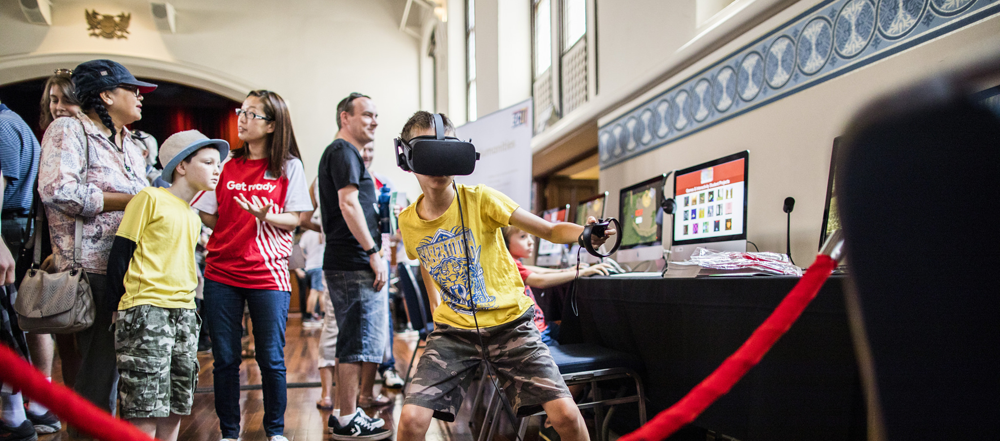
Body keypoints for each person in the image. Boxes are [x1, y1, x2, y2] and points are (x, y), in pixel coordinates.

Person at [394, 111, 614, 441]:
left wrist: (585, 234)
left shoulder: (482, 198)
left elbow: (550, 229)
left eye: (447, 151)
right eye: (429, 153)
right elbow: (425, 258)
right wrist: (435, 305)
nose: (440, 166)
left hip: (512, 324)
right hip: (454, 332)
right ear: (408, 158)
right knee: (410, 420)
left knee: (566, 416)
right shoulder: (408, 221)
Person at [38, 60, 154, 437]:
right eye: (131, 89)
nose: (140, 97)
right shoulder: (69, 130)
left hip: (131, 271)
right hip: (91, 271)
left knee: (122, 373)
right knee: (96, 376)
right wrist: (129, 201)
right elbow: (57, 191)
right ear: (106, 95)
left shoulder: (132, 143)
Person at [191, 90, 312, 441]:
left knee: (270, 358)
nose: (242, 118)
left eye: (252, 113)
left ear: (272, 125)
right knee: (225, 359)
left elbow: (297, 218)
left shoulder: (288, 166)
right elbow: (210, 215)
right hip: (221, 273)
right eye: (240, 111)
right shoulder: (226, 164)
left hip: (268, 272)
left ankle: (275, 431)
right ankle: (230, 432)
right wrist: (223, 221)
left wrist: (266, 215)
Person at [107, 130, 227, 441]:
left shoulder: (192, 215)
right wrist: (115, 307)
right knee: (145, 402)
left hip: (184, 312)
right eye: (209, 162)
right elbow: (122, 253)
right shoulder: (150, 198)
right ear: (182, 166)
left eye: (219, 164)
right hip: (146, 310)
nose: (217, 169)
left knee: (178, 399)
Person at [317, 92, 391, 440]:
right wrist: (373, 251)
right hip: (352, 261)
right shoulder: (342, 151)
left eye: (376, 115)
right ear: (345, 117)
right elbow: (348, 204)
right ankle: (348, 418)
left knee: (356, 339)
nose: (374, 120)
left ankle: (348, 412)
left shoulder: (344, 153)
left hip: (349, 260)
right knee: (354, 340)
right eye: (367, 115)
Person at [37, 70, 86, 396]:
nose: (57, 107)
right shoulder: (58, 134)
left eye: (66, 99)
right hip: (61, 256)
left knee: (83, 351)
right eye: (53, 99)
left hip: (82, 258)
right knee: (69, 346)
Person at [0, 100, 44, 440]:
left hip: (7, 228)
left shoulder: (2, 125)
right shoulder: (13, 121)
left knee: (6, 324)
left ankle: (16, 418)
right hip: (14, 228)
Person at [501, 226, 610, 345]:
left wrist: (568, 271)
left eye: (530, 236)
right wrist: (581, 272)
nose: (531, 242)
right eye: (523, 236)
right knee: (578, 339)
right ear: (503, 243)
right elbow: (539, 280)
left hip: (540, 325)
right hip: (534, 332)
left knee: (574, 332)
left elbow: (538, 271)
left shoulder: (513, 262)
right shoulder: (509, 265)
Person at [360, 141, 404, 390]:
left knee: (382, 316)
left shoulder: (385, 184)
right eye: (362, 149)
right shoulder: (346, 182)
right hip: (354, 259)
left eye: (371, 150)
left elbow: (396, 234)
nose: (366, 155)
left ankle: (387, 368)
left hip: (382, 258)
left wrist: (396, 217)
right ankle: (355, 376)